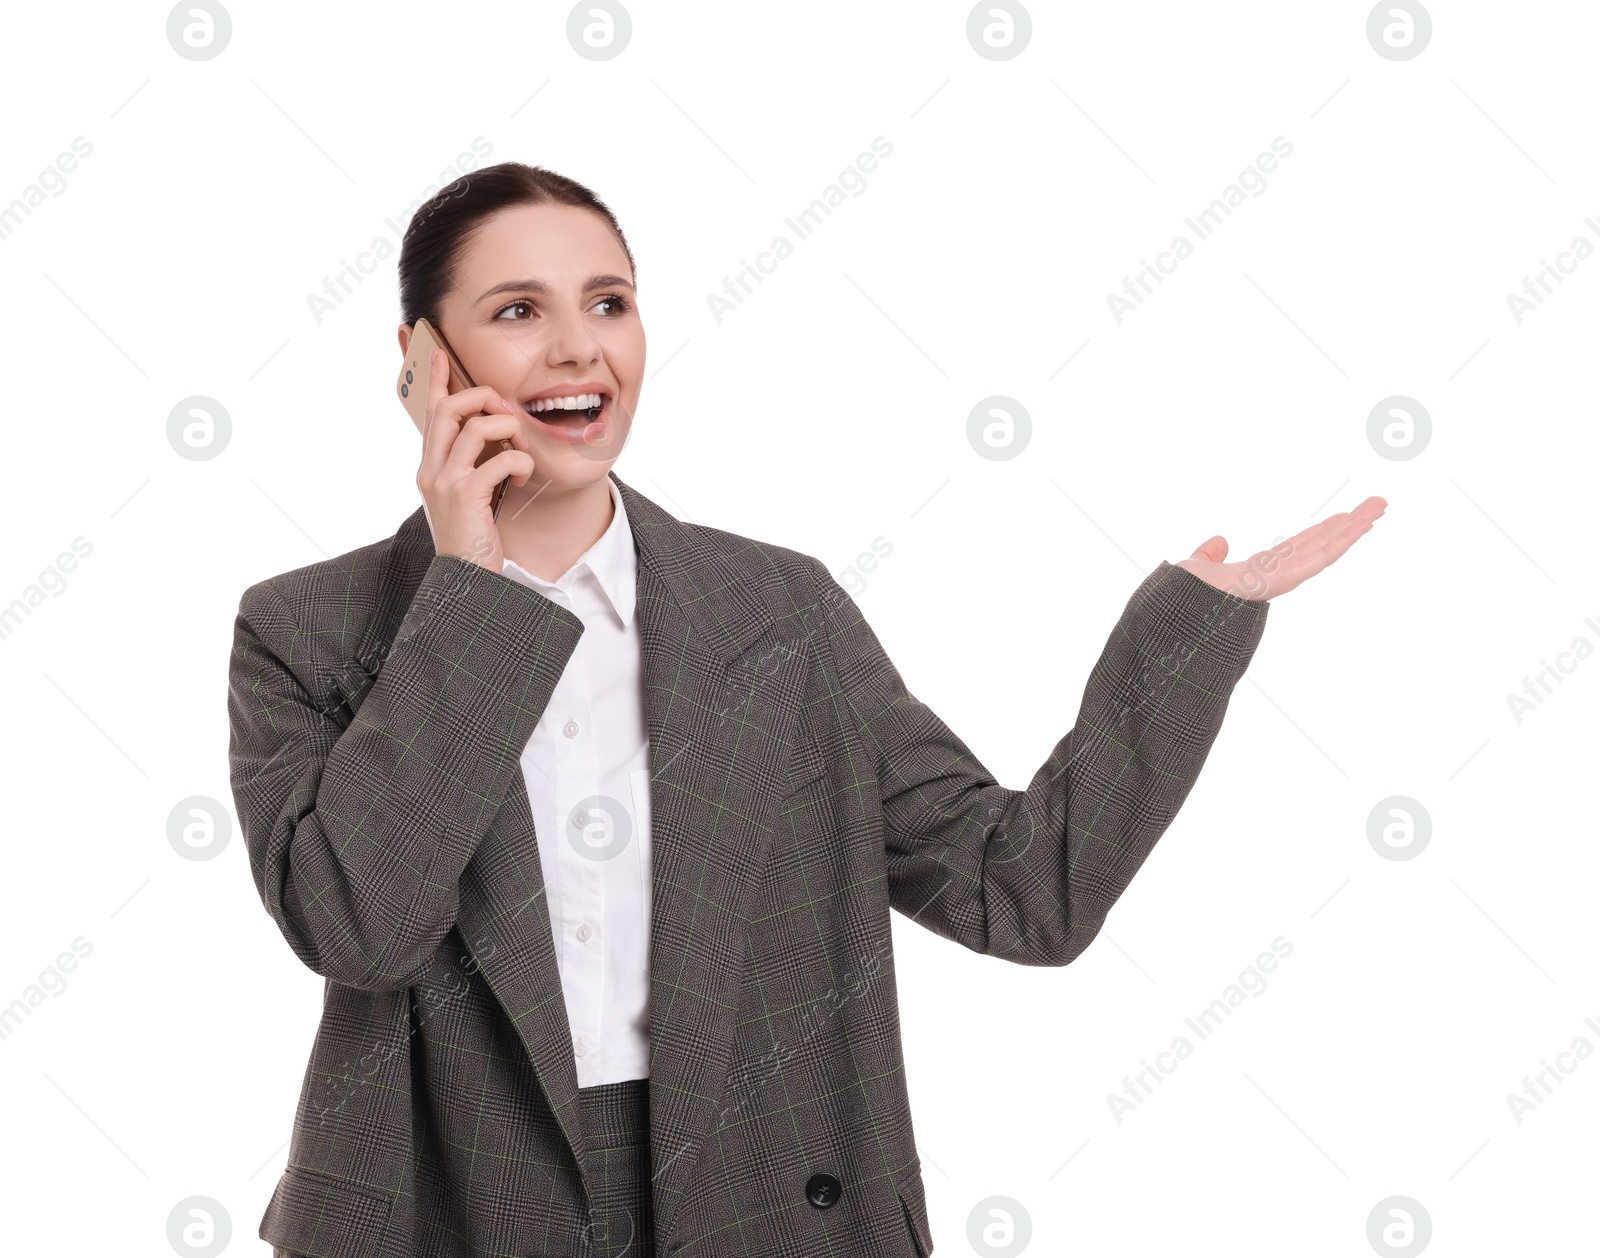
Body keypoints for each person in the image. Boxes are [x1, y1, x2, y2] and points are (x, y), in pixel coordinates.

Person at [229, 162, 1385, 1258]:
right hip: (450, 1205)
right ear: (422, 360)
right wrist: (470, 593)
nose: (580, 347)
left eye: (609, 301)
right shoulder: (308, 630)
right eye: (518, 310)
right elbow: (358, 929)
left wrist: (1184, 642)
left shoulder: (778, 609)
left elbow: (1023, 891)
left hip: (765, 1184)